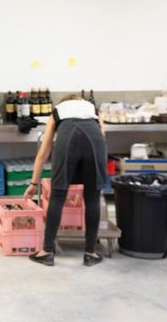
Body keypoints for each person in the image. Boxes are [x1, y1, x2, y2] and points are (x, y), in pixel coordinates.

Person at [23, 94, 107, 267]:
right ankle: (90, 253)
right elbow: (102, 135)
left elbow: (44, 151)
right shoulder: (93, 110)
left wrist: (33, 183)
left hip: (67, 141)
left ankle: (47, 252)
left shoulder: (57, 112)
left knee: (58, 196)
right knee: (92, 198)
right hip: (95, 143)